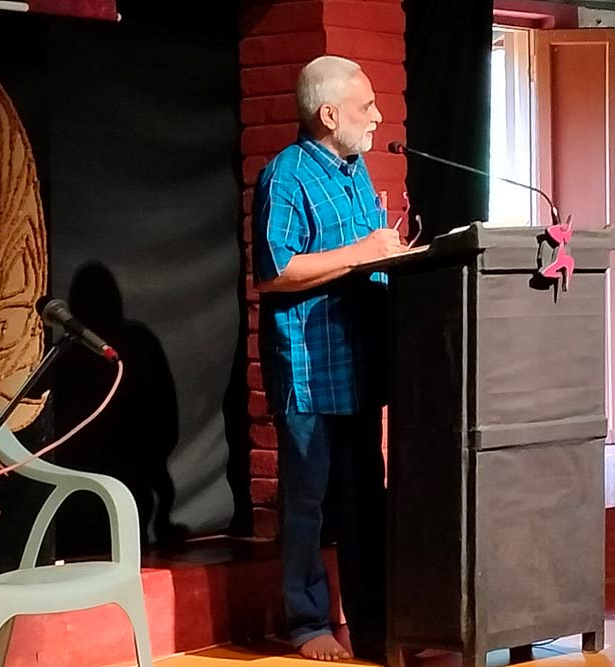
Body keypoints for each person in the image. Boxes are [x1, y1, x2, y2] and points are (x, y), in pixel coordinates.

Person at [251, 55, 407, 663]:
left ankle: (375, 626)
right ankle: (307, 622)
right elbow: (276, 269)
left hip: (360, 366)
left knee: (366, 499)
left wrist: (391, 254)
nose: (378, 117)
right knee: (307, 503)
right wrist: (365, 251)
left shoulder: (356, 171)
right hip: (311, 371)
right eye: (366, 106)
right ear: (329, 114)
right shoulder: (285, 176)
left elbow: (365, 255)